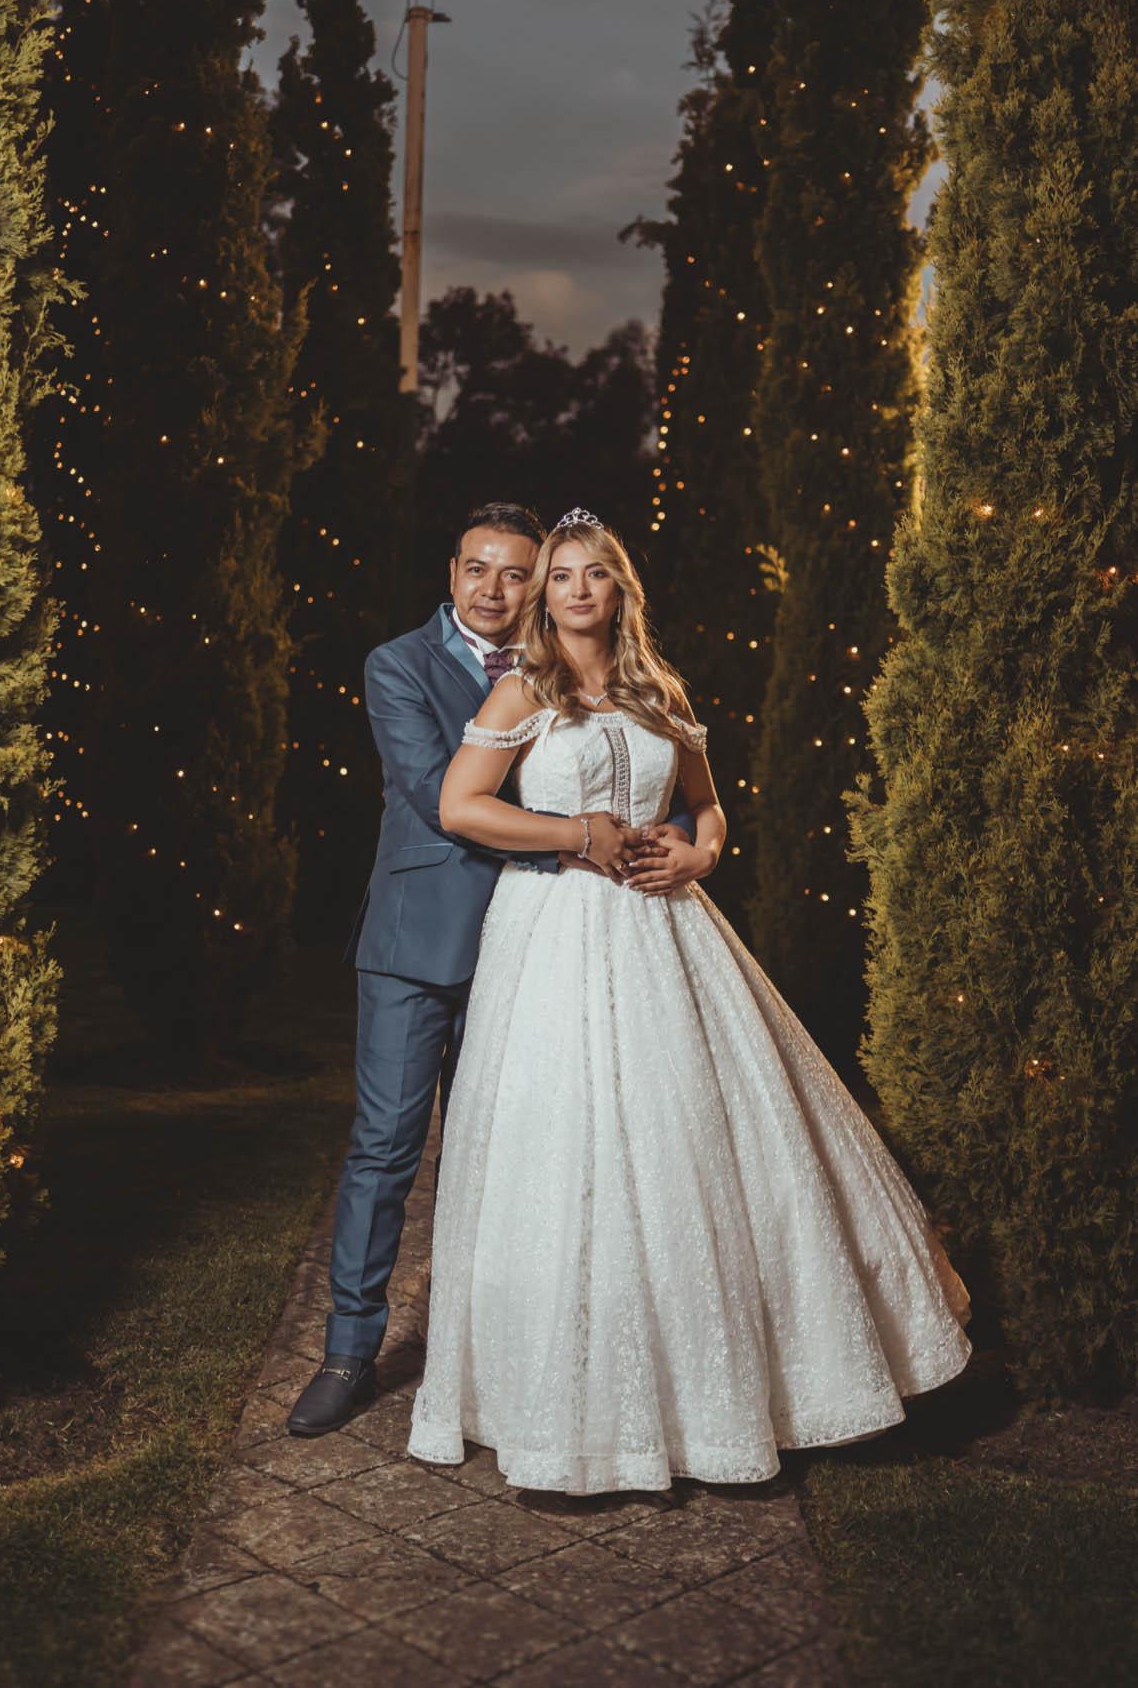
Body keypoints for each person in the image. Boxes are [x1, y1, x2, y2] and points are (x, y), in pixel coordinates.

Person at [407, 507, 973, 1493]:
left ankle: (725, 1400)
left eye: (594, 573)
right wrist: (574, 834)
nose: (576, 590)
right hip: (556, 928)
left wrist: (700, 855)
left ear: (619, 589)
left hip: (667, 923)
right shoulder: (523, 690)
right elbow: (461, 805)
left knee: (695, 1130)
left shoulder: (660, 691)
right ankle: (565, 1414)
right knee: (573, 1138)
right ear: (544, 595)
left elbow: (708, 808)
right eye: (561, 575)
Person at [287, 502, 703, 1437]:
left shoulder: (572, 669)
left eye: (517, 573)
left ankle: (491, 1347)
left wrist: (675, 836)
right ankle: (348, 1351)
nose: (495, 588)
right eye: (478, 568)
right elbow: (439, 797)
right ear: (451, 573)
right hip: (422, 942)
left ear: (538, 586)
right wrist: (578, 836)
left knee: (520, 1152)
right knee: (388, 1145)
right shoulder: (399, 665)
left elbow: (641, 778)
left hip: (541, 948)